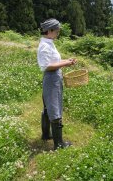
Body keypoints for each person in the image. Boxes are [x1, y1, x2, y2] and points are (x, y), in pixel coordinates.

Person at [37, 18, 76, 150]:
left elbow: (54, 61)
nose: (58, 33)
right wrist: (66, 63)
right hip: (51, 79)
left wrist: (66, 60)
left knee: (49, 108)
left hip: (54, 78)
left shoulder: (49, 43)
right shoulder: (44, 47)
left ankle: (46, 135)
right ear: (49, 31)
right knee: (54, 108)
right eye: (57, 31)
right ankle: (59, 144)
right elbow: (47, 66)